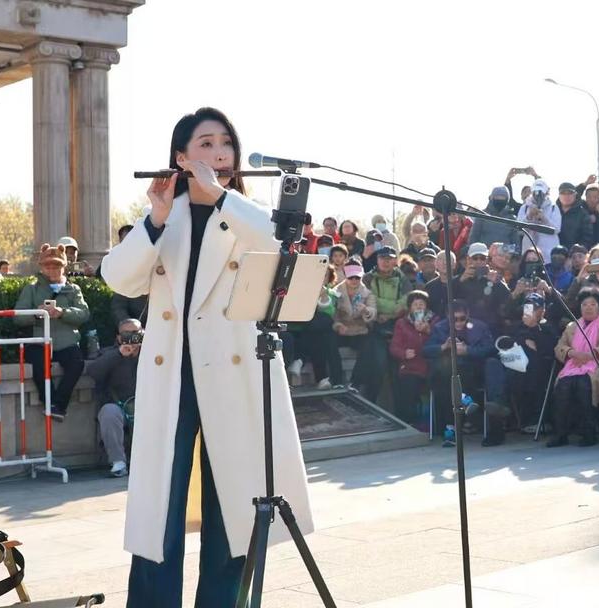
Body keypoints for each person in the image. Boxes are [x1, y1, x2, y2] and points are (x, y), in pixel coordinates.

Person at [100, 107, 312, 606]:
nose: (220, 153)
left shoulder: (241, 213)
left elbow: (280, 244)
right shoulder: (162, 217)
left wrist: (221, 196)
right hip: (172, 376)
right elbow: (119, 278)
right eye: (206, 144)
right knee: (159, 508)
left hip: (234, 375)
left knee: (234, 507)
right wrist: (155, 219)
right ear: (181, 157)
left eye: (226, 143)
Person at [14, 243, 89, 422]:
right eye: (47, 266)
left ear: (64, 267)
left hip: (67, 342)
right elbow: (18, 316)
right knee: (39, 365)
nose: (52, 270)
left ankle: (58, 405)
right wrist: (38, 314)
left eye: (56, 266)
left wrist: (63, 312)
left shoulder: (74, 289)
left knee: (76, 363)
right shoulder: (31, 289)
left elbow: (84, 313)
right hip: (40, 341)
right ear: (41, 267)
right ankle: (51, 403)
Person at [547, 290, 599, 447]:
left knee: (584, 384)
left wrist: (591, 354)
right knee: (563, 385)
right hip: (573, 364)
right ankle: (560, 433)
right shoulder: (572, 326)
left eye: (593, 304)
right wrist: (571, 352)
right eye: (584, 304)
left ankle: (589, 432)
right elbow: (559, 347)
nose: (588, 307)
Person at [483, 293, 556, 443]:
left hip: (532, 372)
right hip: (510, 365)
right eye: (527, 307)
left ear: (542, 310)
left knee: (505, 379)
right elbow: (503, 344)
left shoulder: (548, 327)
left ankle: (497, 418)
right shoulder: (516, 327)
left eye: (534, 308)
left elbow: (549, 350)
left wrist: (534, 329)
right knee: (491, 363)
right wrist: (522, 341)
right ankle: (498, 405)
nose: (529, 311)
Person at [422, 300, 494, 445]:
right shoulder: (439, 328)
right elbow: (426, 350)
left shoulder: (479, 327)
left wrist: (467, 350)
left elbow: (490, 349)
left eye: (462, 318)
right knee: (446, 374)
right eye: (454, 319)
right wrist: (444, 347)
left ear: (468, 315)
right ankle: (464, 399)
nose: (459, 323)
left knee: (452, 379)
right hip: (445, 373)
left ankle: (451, 428)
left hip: (472, 370)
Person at [85, 318, 143, 477]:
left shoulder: (154, 352)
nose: (132, 337)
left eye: (135, 333)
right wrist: (119, 354)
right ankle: (118, 462)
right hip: (120, 407)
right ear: (118, 337)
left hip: (148, 405)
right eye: (126, 333)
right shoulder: (108, 353)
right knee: (108, 412)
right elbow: (93, 371)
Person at [333, 259, 382, 397]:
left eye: (357, 277)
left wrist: (366, 310)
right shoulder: (336, 292)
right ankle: (336, 380)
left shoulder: (367, 293)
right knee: (329, 341)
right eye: (351, 277)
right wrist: (338, 325)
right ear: (345, 276)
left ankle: (355, 382)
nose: (354, 280)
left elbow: (373, 311)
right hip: (341, 331)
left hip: (359, 331)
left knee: (369, 345)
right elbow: (333, 315)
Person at [389, 291, 435, 427]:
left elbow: (441, 339)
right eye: (415, 304)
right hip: (411, 367)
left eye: (422, 304)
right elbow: (394, 347)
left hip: (431, 365)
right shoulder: (401, 323)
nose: (419, 307)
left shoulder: (435, 320)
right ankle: (408, 423)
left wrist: (428, 330)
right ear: (410, 307)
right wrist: (404, 353)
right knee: (407, 386)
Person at [453, 242, 511, 336]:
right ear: (468, 259)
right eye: (475, 258)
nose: (478, 261)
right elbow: (447, 300)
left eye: (482, 258)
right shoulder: (459, 280)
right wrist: (461, 280)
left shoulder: (494, 277)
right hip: (465, 328)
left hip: (489, 328)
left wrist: (497, 283)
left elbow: (508, 300)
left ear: (487, 260)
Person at [516, 179, 562, 260]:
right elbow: (519, 230)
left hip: (548, 252)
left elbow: (556, 229)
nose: (538, 196)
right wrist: (529, 217)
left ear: (546, 192)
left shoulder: (553, 208)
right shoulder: (524, 208)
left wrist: (544, 219)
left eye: (541, 193)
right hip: (529, 252)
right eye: (535, 192)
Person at [557, 182, 593, 250]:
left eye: (570, 193)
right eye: (563, 193)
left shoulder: (583, 214)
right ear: (559, 195)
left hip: (575, 254)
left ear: (575, 195)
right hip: (554, 253)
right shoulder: (552, 211)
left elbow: (587, 237)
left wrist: (577, 252)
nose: (566, 196)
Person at [425, 251, 455, 319]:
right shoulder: (429, 287)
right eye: (441, 259)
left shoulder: (459, 284)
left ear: (454, 264)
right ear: (436, 264)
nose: (445, 263)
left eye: (448, 259)